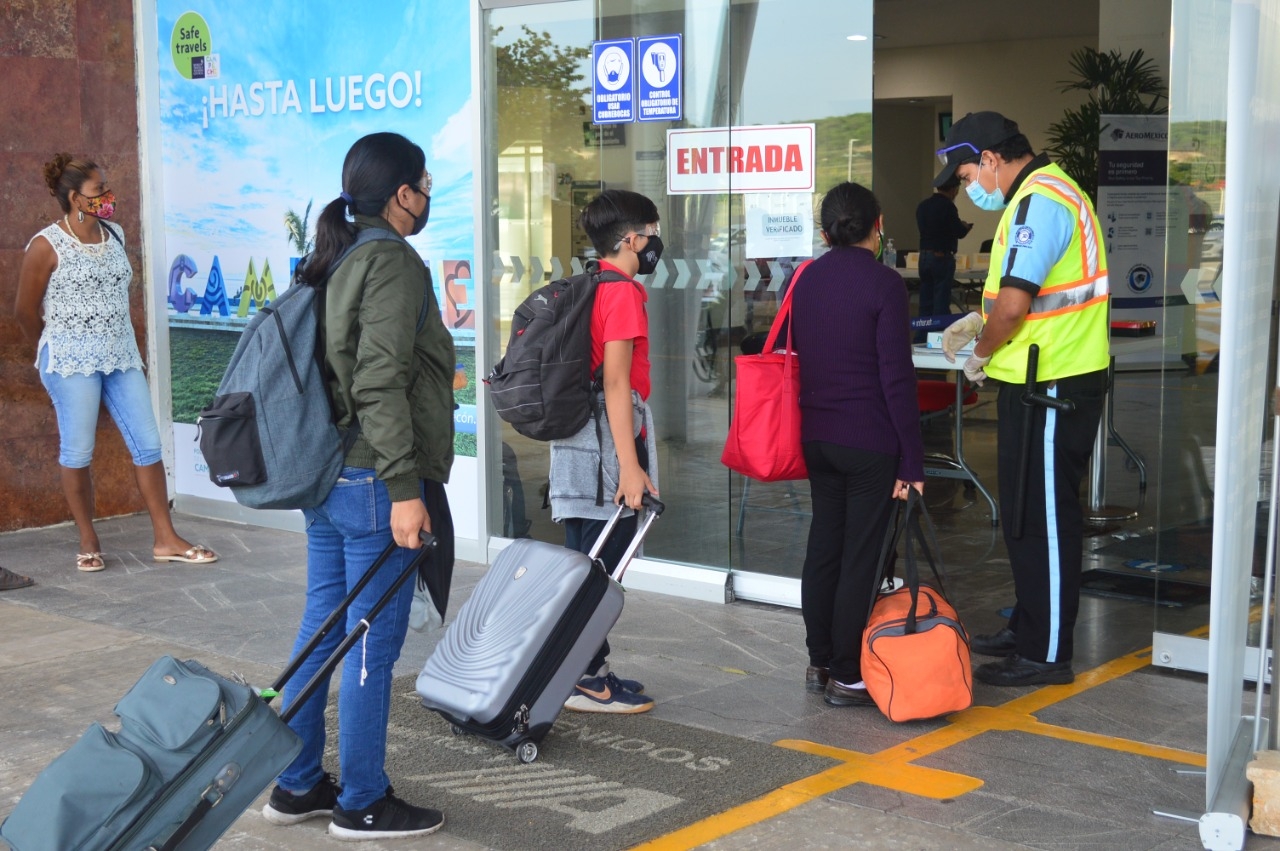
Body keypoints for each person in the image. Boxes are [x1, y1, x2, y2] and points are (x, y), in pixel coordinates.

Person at [262, 132, 456, 840]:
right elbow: (378, 379)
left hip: (332, 473)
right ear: (401, 194)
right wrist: (407, 488)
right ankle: (364, 799)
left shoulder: (338, 254)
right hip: (376, 479)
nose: (428, 194)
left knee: (323, 631)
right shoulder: (393, 263)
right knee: (371, 641)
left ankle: (299, 779)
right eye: (424, 183)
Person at [935, 111, 1109, 687]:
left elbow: (1014, 306)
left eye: (965, 176)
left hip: (1055, 383)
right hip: (1035, 381)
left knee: (1048, 519)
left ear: (989, 159)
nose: (968, 189)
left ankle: (1048, 651)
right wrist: (980, 327)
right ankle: (1031, 626)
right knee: (1026, 515)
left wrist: (980, 350)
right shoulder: (1033, 198)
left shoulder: (1042, 200)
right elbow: (1018, 302)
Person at [15, 154, 218, 574]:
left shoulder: (116, 233)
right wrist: (55, 347)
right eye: (98, 191)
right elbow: (23, 311)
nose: (108, 197)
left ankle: (165, 537)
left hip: (121, 354)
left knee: (147, 443)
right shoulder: (46, 245)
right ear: (75, 198)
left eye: (106, 188)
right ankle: (88, 539)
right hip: (71, 361)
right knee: (78, 449)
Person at [790, 182, 925, 707]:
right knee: (860, 557)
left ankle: (819, 659)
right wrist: (911, 460)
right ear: (880, 223)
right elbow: (896, 378)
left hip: (818, 436)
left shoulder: (806, 280)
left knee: (824, 547)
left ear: (825, 232)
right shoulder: (885, 284)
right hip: (869, 441)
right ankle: (849, 674)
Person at [548, 189, 662, 714]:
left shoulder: (591, 281)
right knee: (600, 566)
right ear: (631, 240)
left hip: (580, 441)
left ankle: (589, 667)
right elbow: (616, 385)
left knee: (588, 560)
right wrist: (630, 466)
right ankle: (584, 680)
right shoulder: (620, 292)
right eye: (652, 234)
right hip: (602, 446)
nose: (657, 244)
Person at [914, 175, 974, 339]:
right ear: (954, 190)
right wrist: (965, 227)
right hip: (941, 257)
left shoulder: (923, 206)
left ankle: (920, 339)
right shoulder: (948, 206)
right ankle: (939, 339)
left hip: (924, 257)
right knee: (941, 300)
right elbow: (958, 232)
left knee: (925, 301)